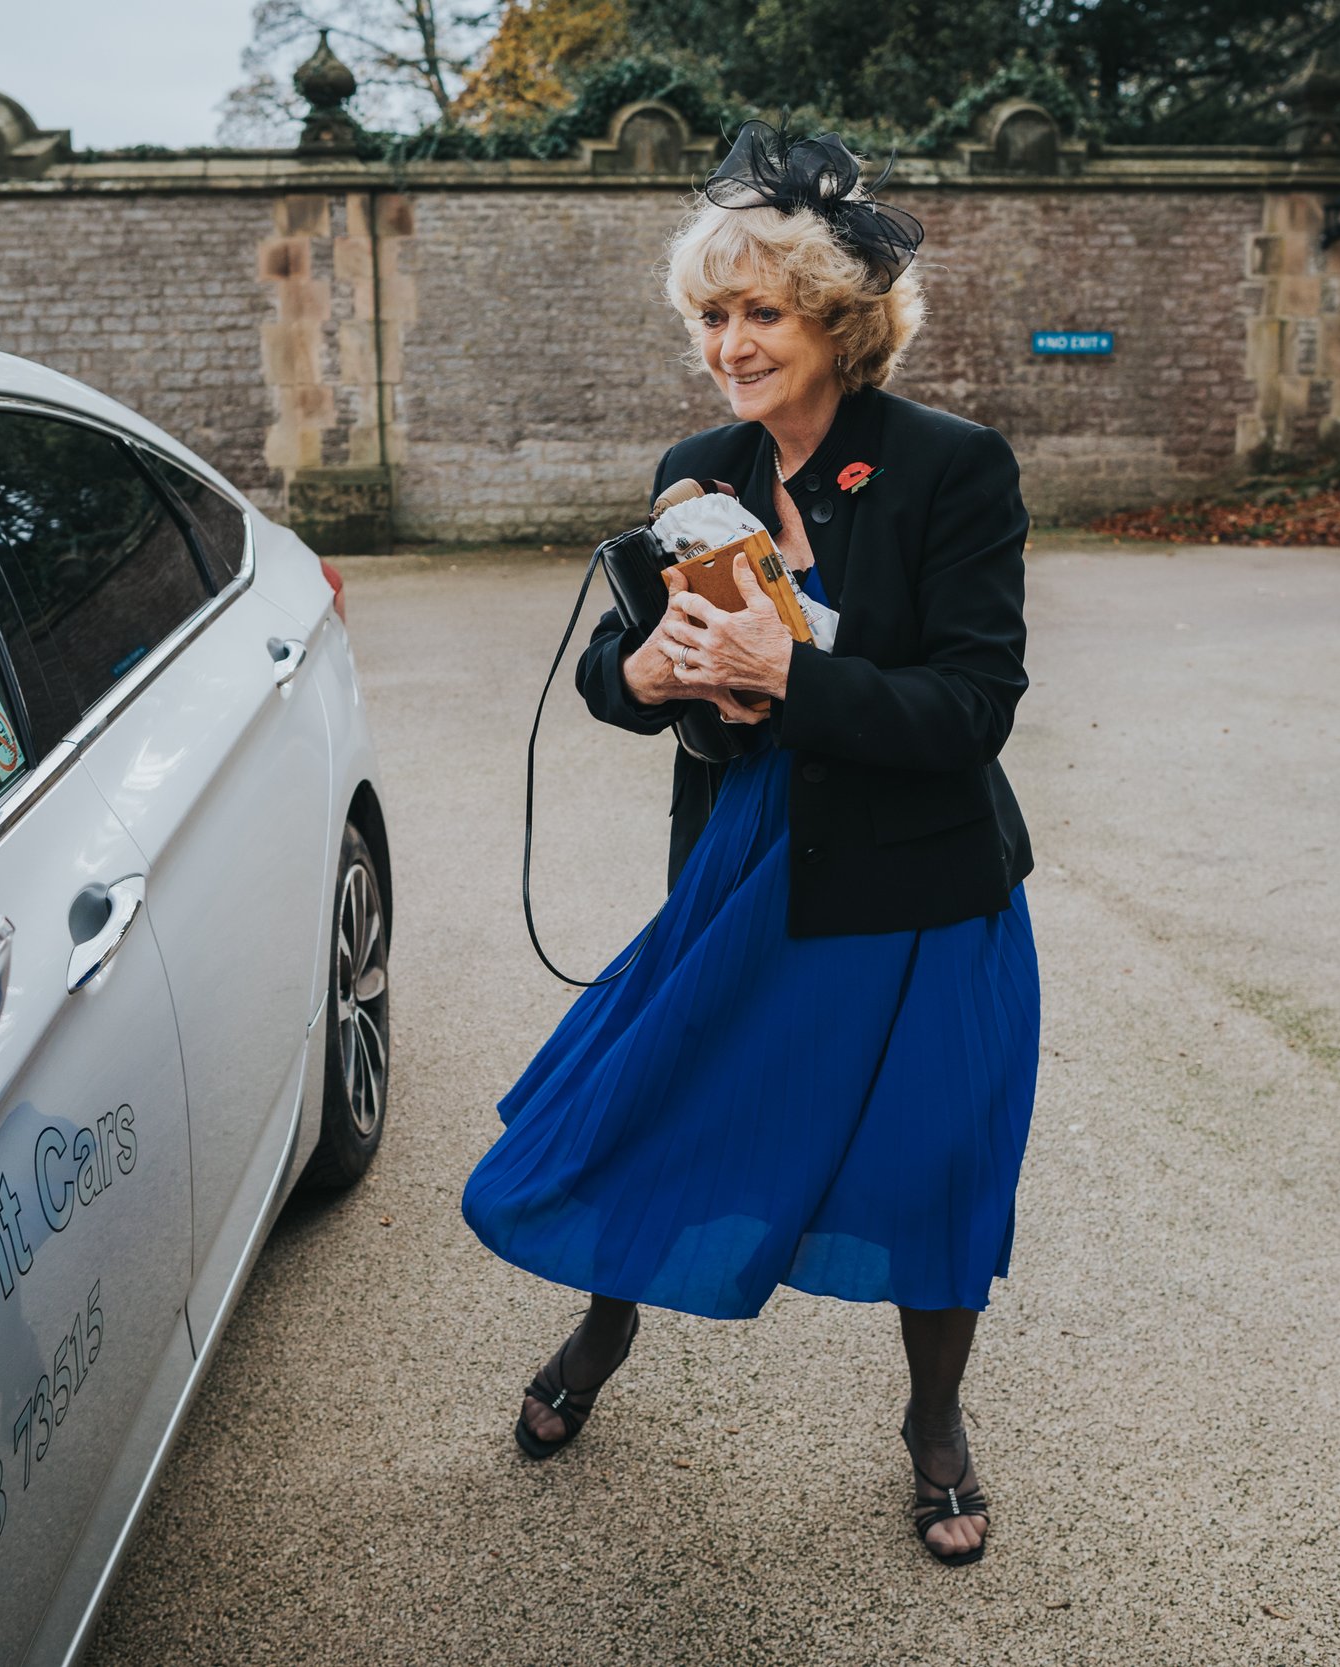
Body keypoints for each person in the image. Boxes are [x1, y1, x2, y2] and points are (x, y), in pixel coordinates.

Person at [461, 123, 1040, 1567]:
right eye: (712, 317)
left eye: (760, 313)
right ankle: (602, 1330)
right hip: (740, 856)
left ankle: (935, 1426)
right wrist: (644, 677)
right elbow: (619, 666)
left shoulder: (948, 470)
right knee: (663, 1103)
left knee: (936, 1156)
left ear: (839, 322)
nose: (729, 345)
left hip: (918, 878)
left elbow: (976, 708)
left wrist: (795, 679)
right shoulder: (695, 467)